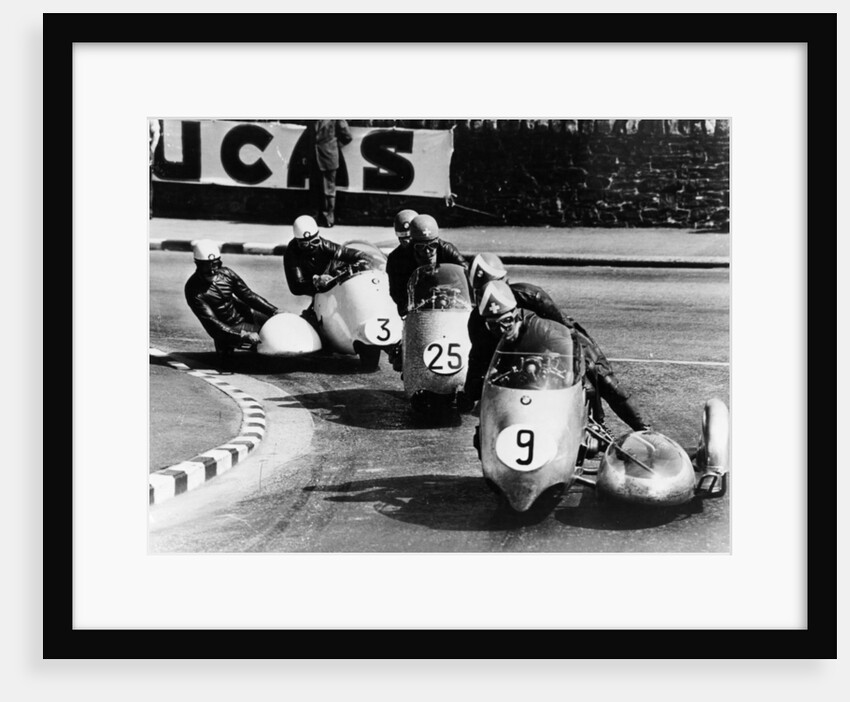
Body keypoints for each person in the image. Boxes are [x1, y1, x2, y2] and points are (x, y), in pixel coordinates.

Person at [458, 278, 650, 432]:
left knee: (597, 374)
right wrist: (472, 395)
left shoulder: (534, 299)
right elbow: (477, 359)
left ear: (516, 313)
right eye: (493, 324)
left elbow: (568, 335)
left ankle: (636, 429)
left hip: (555, 336)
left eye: (506, 321)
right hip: (511, 349)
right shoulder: (477, 325)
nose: (501, 330)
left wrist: (576, 374)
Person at [184, 239, 280, 357]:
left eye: (215, 264)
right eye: (207, 266)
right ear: (198, 265)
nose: (213, 269)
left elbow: (248, 295)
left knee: (279, 325)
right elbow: (211, 322)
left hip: (246, 314)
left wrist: (274, 311)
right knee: (269, 339)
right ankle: (225, 344)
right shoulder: (193, 290)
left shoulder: (227, 274)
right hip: (229, 327)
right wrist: (243, 335)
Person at [282, 214, 371, 328]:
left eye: (314, 242)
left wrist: (365, 259)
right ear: (297, 241)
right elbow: (296, 287)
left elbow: (352, 253)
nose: (311, 247)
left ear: (318, 238)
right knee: (313, 315)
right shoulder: (291, 254)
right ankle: (312, 314)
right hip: (313, 283)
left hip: (334, 274)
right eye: (304, 244)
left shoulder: (324, 245)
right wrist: (316, 281)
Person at [386, 213, 469, 319]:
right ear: (413, 244)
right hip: (419, 305)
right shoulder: (397, 258)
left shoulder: (447, 249)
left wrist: (463, 298)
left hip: (450, 300)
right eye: (420, 247)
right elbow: (396, 292)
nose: (428, 251)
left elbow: (466, 272)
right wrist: (410, 305)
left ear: (438, 242)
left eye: (433, 245)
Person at [307, 119, 353, 228]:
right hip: (314, 157)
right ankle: (314, 218)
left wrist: (335, 146)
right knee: (314, 189)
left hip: (328, 157)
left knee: (329, 189)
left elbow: (347, 136)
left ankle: (329, 217)